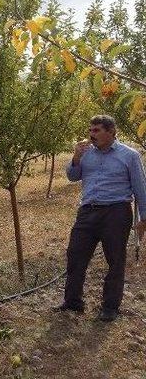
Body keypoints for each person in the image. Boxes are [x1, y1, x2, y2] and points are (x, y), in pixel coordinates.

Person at [54, 115, 146, 321]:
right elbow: (72, 176)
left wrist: (144, 218)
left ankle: (110, 307)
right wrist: (76, 157)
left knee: (115, 260)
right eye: (91, 130)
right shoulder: (86, 153)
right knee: (76, 254)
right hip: (87, 212)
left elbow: (141, 188)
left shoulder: (130, 155)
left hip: (116, 212)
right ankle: (73, 302)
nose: (91, 134)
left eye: (96, 130)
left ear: (111, 132)